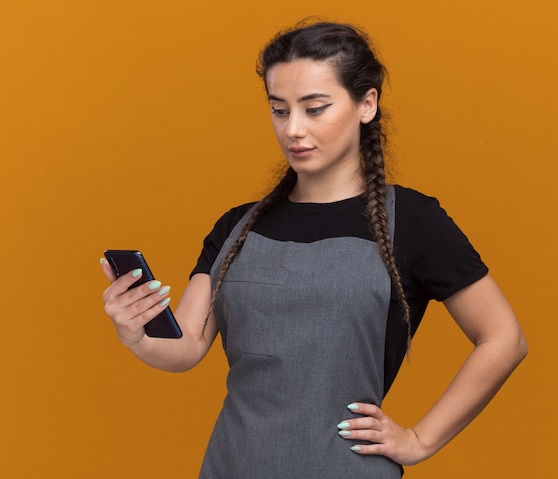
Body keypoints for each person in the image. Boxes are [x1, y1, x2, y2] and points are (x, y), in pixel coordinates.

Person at [101, 20, 527, 478]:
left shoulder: (414, 221)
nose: (293, 130)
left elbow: (504, 339)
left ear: (367, 104)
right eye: (279, 110)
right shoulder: (237, 226)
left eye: (315, 108)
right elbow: (185, 347)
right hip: (232, 464)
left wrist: (420, 439)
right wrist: (136, 333)